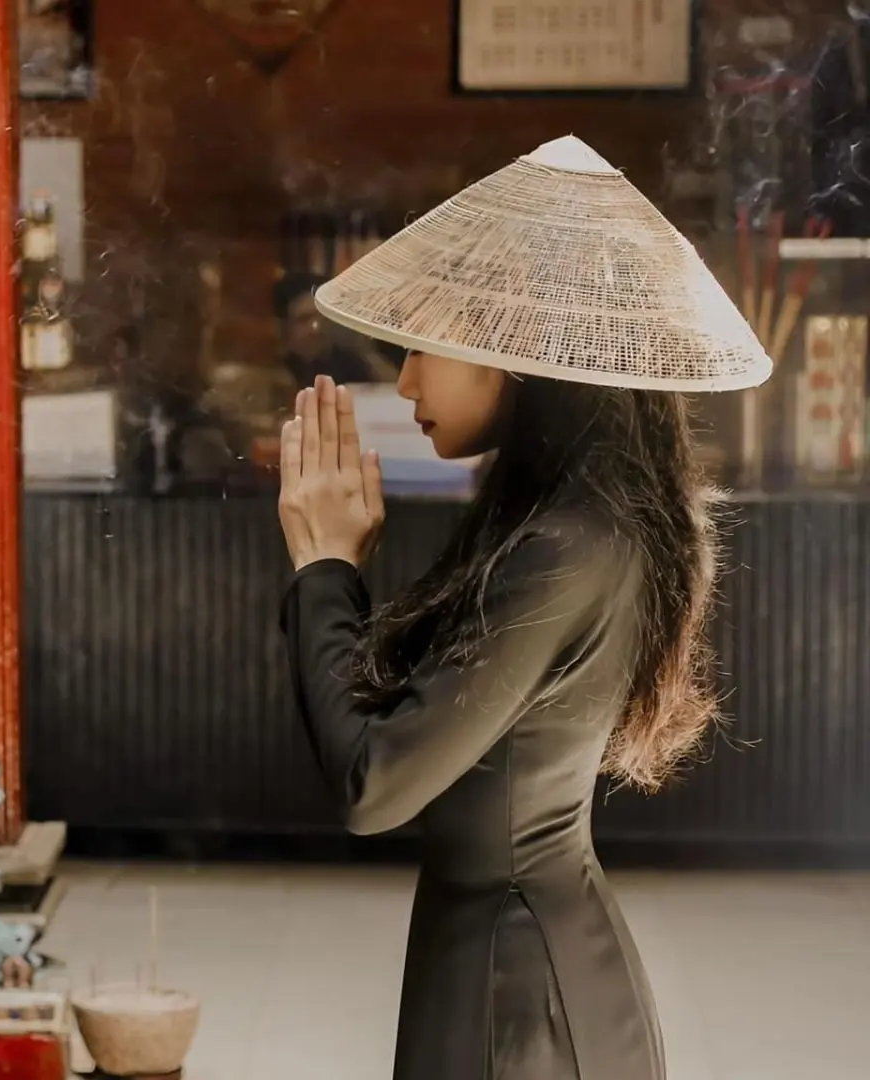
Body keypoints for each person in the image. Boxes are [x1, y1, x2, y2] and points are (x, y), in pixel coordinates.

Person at [273, 137, 771, 1079]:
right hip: (511, 954)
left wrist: (325, 567)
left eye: (425, 344)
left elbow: (375, 784)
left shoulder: (570, 541)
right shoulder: (566, 513)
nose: (407, 379)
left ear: (515, 353)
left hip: (520, 990)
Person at [274, 271, 400, 387]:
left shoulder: (355, 365)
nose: (316, 327)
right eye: (304, 319)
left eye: (322, 318)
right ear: (284, 327)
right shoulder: (272, 374)